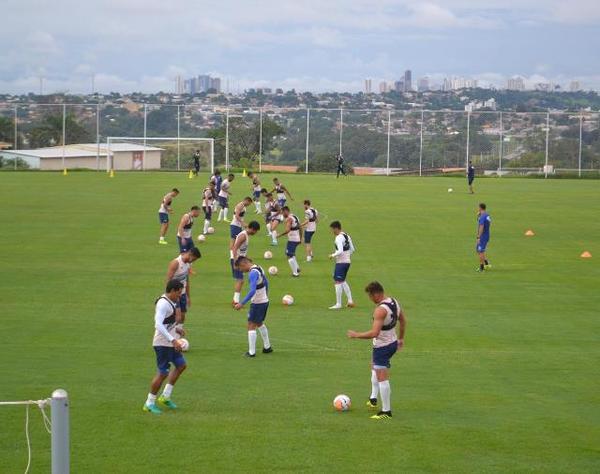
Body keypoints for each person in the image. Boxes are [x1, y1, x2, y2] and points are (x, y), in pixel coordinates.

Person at [347, 281, 406, 420]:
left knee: (382, 377)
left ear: (376, 294)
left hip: (382, 347)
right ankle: (373, 399)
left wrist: (356, 335)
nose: (370, 299)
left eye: (370, 296)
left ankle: (386, 411)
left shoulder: (380, 310)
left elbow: (374, 333)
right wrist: (401, 339)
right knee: (374, 367)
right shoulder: (394, 301)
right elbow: (403, 321)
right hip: (392, 342)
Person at [142, 279, 186, 415]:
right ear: (172, 290)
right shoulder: (163, 304)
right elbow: (158, 324)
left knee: (181, 366)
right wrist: (173, 340)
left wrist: (177, 329)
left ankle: (165, 396)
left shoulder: (171, 301)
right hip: (163, 344)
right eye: (178, 293)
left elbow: (167, 322)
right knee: (162, 373)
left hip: (170, 342)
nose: (179, 296)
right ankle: (149, 403)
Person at [233, 256, 273, 358]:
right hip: (264, 301)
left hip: (258, 303)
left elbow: (252, 291)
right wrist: (266, 296)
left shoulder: (252, 273)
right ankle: (267, 347)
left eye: (241, 269)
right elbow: (266, 282)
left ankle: (251, 352)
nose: (242, 271)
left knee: (251, 325)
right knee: (259, 323)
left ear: (243, 264)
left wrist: (241, 303)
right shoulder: (259, 267)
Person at [165, 247, 201, 325]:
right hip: (174, 294)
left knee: (183, 315)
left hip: (182, 293)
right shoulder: (175, 263)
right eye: (194, 259)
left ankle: (179, 331)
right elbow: (168, 280)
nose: (193, 261)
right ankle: (172, 333)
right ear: (190, 255)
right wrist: (168, 296)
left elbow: (186, 280)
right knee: (176, 316)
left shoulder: (188, 264)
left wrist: (188, 297)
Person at [230, 221, 261, 304]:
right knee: (240, 280)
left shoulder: (246, 235)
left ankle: (235, 300)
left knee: (240, 280)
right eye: (256, 231)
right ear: (252, 229)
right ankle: (235, 301)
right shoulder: (243, 236)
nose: (255, 233)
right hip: (237, 260)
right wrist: (235, 262)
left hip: (241, 260)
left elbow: (241, 250)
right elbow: (234, 248)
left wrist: (247, 258)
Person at [328, 221, 355, 309]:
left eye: (332, 229)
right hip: (347, 262)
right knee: (342, 280)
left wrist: (332, 255)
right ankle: (350, 301)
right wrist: (347, 256)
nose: (332, 231)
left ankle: (338, 304)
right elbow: (352, 249)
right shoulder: (346, 235)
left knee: (337, 281)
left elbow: (340, 250)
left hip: (341, 263)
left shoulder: (338, 238)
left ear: (336, 228)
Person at [278, 206, 302, 277]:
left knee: (289, 255)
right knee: (292, 254)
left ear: (286, 211)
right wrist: (301, 238)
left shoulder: (289, 219)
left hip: (292, 239)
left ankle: (295, 273)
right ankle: (297, 268)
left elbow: (287, 230)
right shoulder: (295, 216)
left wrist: (280, 235)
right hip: (297, 238)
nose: (282, 214)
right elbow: (300, 227)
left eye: (282, 213)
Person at [476, 203, 492, 272]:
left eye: (478, 207)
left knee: (481, 251)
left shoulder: (483, 217)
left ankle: (482, 268)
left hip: (483, 236)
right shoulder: (486, 215)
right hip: (486, 235)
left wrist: (479, 237)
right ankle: (486, 263)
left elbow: (481, 226)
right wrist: (479, 216)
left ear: (480, 208)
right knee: (478, 250)